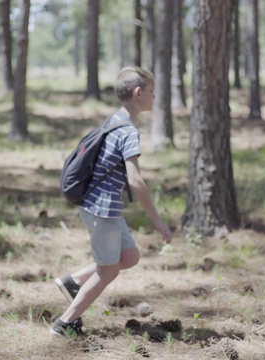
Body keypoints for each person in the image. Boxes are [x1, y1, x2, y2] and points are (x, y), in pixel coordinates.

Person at [51, 66, 173, 338]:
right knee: (108, 270)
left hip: (102, 207)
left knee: (128, 257)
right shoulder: (128, 131)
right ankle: (65, 323)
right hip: (102, 210)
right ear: (138, 93)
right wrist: (157, 220)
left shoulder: (115, 120)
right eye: (152, 92)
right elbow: (135, 181)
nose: (155, 97)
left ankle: (74, 283)